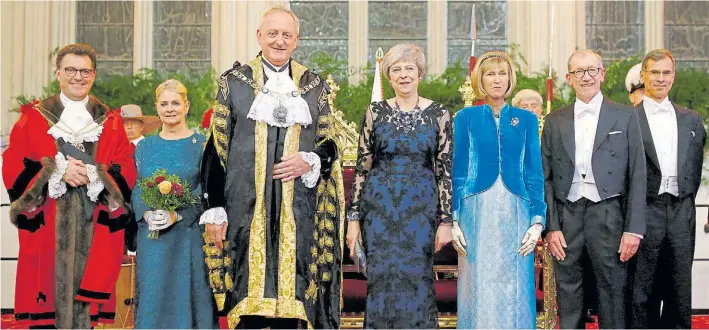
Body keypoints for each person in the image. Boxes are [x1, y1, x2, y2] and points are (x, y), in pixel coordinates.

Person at [199, 6, 343, 329]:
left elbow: (331, 143)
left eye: (286, 35)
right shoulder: (233, 83)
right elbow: (215, 150)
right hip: (245, 214)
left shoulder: (312, 85)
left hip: (299, 215)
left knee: (293, 310)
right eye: (273, 34)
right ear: (259, 37)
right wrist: (215, 209)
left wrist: (312, 160)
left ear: (296, 41)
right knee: (247, 308)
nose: (279, 41)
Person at [2, 43, 136, 328]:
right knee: (47, 300)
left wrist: (97, 174)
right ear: (58, 73)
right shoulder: (33, 119)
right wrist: (55, 172)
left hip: (95, 226)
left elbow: (126, 164)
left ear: (94, 74)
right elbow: (13, 164)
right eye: (71, 70)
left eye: (85, 71)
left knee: (88, 308)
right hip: (47, 225)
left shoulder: (110, 121)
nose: (78, 76)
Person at [344, 43, 453, 328]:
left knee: (417, 281)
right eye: (396, 70)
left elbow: (444, 170)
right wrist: (353, 220)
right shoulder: (375, 112)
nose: (404, 75)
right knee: (381, 283)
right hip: (378, 213)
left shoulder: (439, 113)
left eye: (409, 68)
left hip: (421, 212)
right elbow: (362, 167)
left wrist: (446, 221)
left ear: (419, 73)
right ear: (389, 77)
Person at [541, 49, 646, 329]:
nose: (585, 77)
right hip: (568, 216)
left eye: (591, 70)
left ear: (602, 73)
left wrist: (633, 229)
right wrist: (551, 227)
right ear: (569, 78)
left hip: (609, 214)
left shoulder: (625, 115)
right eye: (578, 72)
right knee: (569, 294)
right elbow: (545, 178)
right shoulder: (554, 120)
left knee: (613, 294)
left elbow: (637, 173)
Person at [452, 51, 546, 329]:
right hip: (475, 211)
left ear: (510, 79)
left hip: (515, 209)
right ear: (480, 79)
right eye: (490, 74)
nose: (496, 80)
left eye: (502, 73)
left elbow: (534, 172)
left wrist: (537, 221)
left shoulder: (526, 120)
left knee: (514, 284)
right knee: (477, 282)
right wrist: (453, 218)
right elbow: (457, 170)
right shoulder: (465, 117)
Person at [130, 79, 217, 328]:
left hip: (188, 236)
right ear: (157, 107)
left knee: (188, 296)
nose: (170, 109)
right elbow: (137, 186)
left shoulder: (202, 145)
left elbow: (207, 190)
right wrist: (145, 214)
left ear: (186, 106)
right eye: (164, 103)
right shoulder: (145, 146)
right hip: (153, 238)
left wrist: (178, 215)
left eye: (175, 103)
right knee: (153, 297)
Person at [631, 49, 706, 329]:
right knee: (642, 289)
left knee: (679, 288)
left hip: (681, 212)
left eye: (666, 73)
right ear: (643, 76)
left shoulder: (693, 121)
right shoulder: (627, 119)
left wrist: (684, 202)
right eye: (655, 72)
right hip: (644, 211)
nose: (661, 78)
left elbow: (694, 169)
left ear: (673, 76)